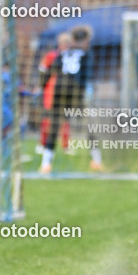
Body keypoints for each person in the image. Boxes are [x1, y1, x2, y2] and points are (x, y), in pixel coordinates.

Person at [39, 26, 100, 173]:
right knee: (90, 126)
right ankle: (96, 161)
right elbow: (86, 75)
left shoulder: (62, 53)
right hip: (76, 91)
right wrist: (86, 93)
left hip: (60, 91)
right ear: (85, 40)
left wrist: (43, 87)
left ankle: (46, 164)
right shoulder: (87, 54)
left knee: (54, 126)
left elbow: (50, 72)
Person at [38, 32, 72, 154]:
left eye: (68, 43)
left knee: (66, 118)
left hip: (67, 90)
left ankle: (66, 145)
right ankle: (43, 144)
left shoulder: (71, 56)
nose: (66, 46)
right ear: (59, 44)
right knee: (48, 117)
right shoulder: (51, 56)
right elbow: (42, 69)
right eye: (64, 43)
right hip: (51, 90)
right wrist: (42, 85)